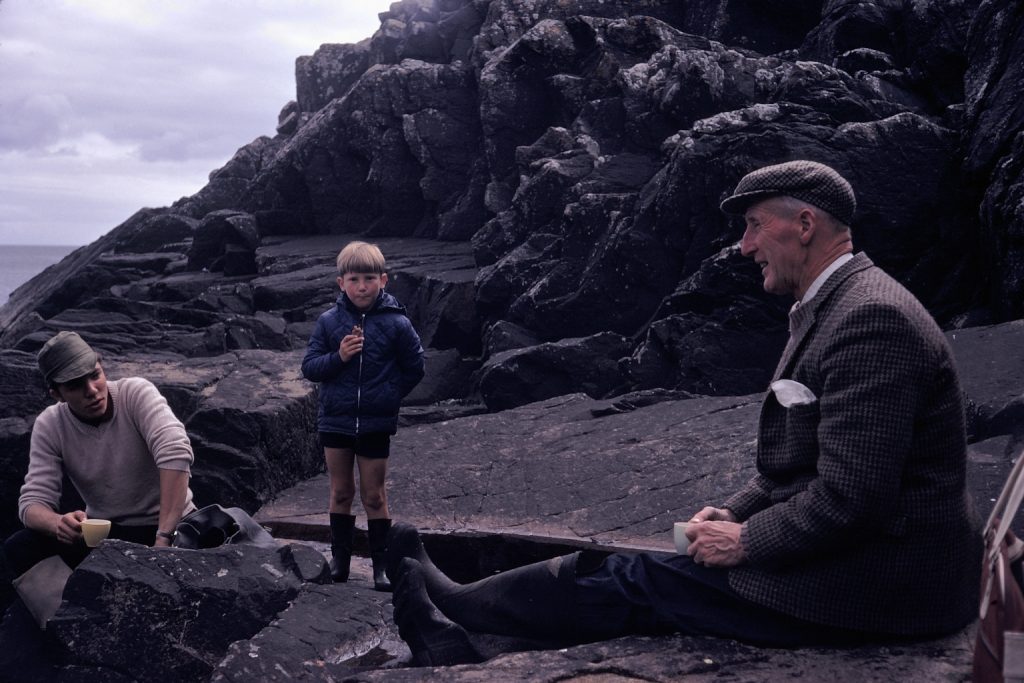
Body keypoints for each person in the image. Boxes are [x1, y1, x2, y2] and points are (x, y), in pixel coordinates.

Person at [385, 160, 981, 666]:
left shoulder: (870, 321)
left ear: (805, 224)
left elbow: (856, 499)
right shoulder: (836, 303)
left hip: (885, 585)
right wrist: (735, 510)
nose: (744, 247)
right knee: (662, 556)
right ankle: (467, 630)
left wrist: (747, 540)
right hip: (871, 558)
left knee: (643, 582)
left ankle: (458, 609)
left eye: (754, 226)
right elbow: (805, 464)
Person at [4, 331, 197, 624]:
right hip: (107, 535)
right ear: (56, 394)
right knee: (20, 546)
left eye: (95, 375)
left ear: (102, 366)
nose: (92, 390)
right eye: (75, 385)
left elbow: (175, 452)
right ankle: (69, 627)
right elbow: (31, 503)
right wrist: (57, 523)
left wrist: (163, 540)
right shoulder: (51, 424)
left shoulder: (136, 393)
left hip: (171, 528)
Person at [301, 241, 425, 591]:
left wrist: (387, 397)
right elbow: (310, 368)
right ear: (341, 283)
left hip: (374, 424)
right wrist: (339, 356)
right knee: (341, 491)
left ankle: (381, 569)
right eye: (353, 278)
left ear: (383, 280)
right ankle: (339, 563)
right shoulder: (329, 322)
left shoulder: (397, 322)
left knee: (374, 495)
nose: (361, 286)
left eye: (369, 278)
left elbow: (415, 367)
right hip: (335, 421)